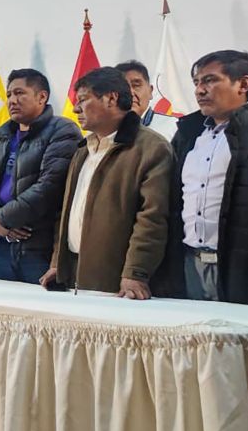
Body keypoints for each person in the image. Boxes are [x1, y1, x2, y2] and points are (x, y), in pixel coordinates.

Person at [40, 67, 173, 298]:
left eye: (83, 100)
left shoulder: (152, 148)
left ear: (111, 99)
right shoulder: (84, 149)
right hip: (73, 274)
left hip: (118, 281)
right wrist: (57, 263)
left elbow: (152, 218)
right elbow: (67, 213)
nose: (75, 109)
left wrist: (136, 272)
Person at [0, 69, 81, 283]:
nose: (12, 100)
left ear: (42, 96)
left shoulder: (62, 130)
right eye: (9, 94)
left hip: (37, 245)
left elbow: (50, 186)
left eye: (20, 93)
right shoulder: (1, 135)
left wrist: (3, 219)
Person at [166, 50, 248, 303]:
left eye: (210, 80)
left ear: (243, 84)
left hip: (239, 266)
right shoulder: (189, 134)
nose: (200, 90)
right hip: (190, 262)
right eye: (196, 82)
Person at [114, 60, 178, 140]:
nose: (130, 92)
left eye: (136, 85)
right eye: (123, 87)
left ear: (150, 91)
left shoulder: (172, 126)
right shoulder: (105, 129)